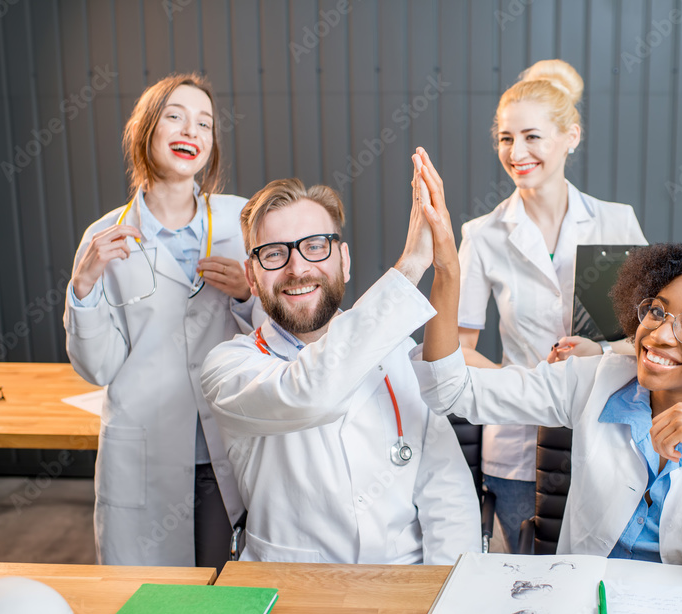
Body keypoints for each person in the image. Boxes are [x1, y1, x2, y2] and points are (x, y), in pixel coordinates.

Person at [412, 162, 682, 610]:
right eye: (656, 310)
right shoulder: (592, 381)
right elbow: (450, 391)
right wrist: (446, 271)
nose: (660, 334)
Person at [200, 158, 480, 565]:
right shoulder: (229, 368)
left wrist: (445, 599)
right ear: (253, 275)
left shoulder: (397, 351)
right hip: (291, 592)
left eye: (315, 246)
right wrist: (412, 264)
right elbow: (311, 394)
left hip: (402, 589)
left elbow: (447, 493)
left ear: (344, 261)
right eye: (274, 254)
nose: (298, 268)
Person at [457, 59, 648, 552]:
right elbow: (456, 350)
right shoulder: (482, 236)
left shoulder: (616, 223)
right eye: (505, 138)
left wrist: (600, 356)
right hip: (519, 445)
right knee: (529, 577)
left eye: (532, 137)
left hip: (609, 431)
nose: (516, 152)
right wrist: (526, 383)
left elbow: (654, 334)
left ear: (571, 137)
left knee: (603, 578)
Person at [64, 73, 253, 568]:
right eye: (175, 116)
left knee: (223, 593)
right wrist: (83, 288)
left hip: (224, 448)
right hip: (144, 446)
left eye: (205, 123)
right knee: (150, 602)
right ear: (146, 130)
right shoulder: (105, 235)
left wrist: (246, 297)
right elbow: (99, 368)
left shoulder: (241, 222)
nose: (191, 130)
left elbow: (285, 333)